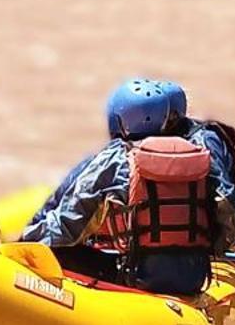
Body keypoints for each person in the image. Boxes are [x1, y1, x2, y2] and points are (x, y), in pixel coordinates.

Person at [19, 78, 222, 297]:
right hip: (194, 278)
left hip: (136, 277)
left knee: (59, 252)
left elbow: (66, 225)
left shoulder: (115, 159)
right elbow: (227, 218)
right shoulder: (197, 157)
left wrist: (22, 244)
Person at [156, 79, 235, 251]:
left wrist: (223, 245)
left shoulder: (202, 141)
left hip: (199, 245)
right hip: (190, 245)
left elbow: (225, 199)